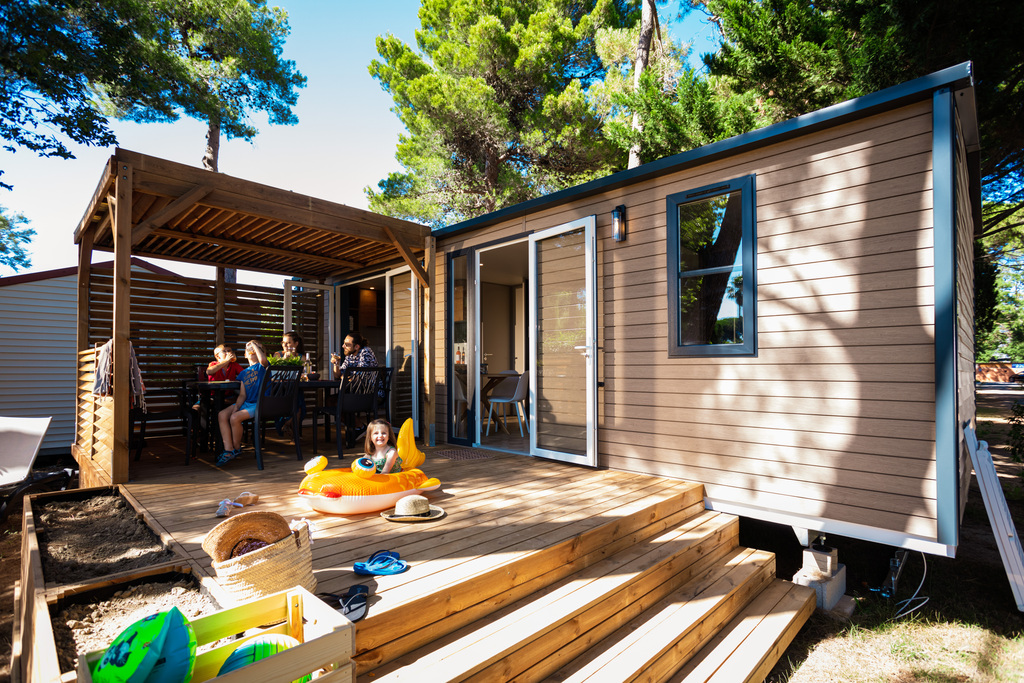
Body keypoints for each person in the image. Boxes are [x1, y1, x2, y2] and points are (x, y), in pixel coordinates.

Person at [216, 340, 269, 466]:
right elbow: (242, 395)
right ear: (245, 355)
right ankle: (229, 449)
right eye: (250, 350)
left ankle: (236, 448)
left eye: (258, 349)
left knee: (234, 418)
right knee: (222, 415)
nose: (253, 350)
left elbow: (262, 359)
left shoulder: (263, 367)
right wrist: (237, 407)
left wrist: (254, 344)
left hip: (259, 404)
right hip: (247, 403)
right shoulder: (243, 373)